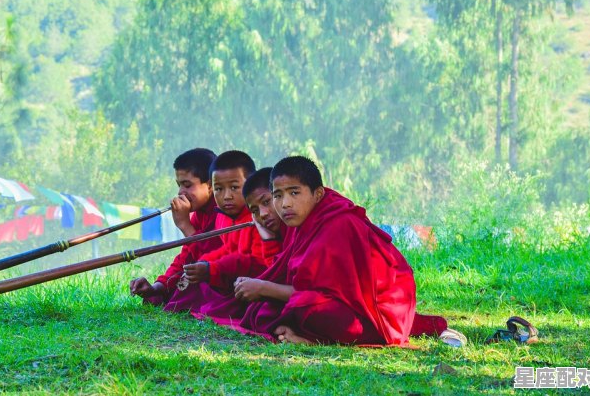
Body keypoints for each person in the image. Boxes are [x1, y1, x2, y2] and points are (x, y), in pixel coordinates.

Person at [215, 156, 418, 345]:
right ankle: (303, 332)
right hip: (335, 303)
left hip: (379, 314)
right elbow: (294, 279)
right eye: (278, 195)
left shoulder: (338, 224)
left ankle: (310, 339)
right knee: (263, 310)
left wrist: (263, 288)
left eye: (294, 193)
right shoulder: (303, 222)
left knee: (305, 307)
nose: (285, 204)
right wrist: (262, 287)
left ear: (318, 194)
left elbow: (324, 294)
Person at [164, 152, 281, 312]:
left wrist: (211, 268)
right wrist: (204, 263)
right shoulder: (222, 216)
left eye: (234, 187)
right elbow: (226, 249)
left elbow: (258, 264)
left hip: (257, 281)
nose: (226, 196)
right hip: (234, 277)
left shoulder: (259, 217)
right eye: (219, 189)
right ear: (213, 187)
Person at [129, 148, 219, 304]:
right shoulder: (200, 213)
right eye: (179, 185)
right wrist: (157, 287)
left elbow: (212, 260)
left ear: (210, 185)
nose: (180, 192)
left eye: (187, 185)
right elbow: (186, 258)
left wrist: (184, 224)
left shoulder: (224, 211)